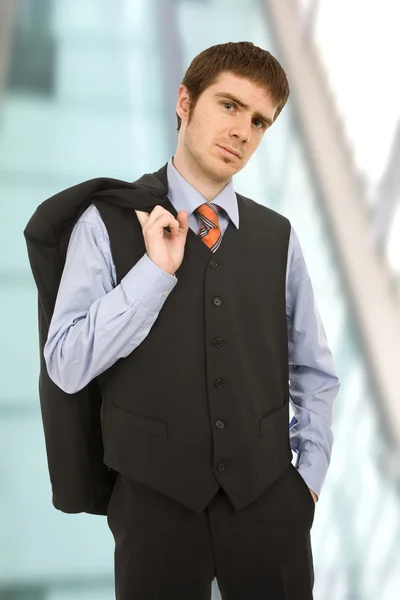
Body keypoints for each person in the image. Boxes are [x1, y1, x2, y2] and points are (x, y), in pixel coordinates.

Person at [42, 42, 340, 599]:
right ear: (185, 101)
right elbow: (65, 362)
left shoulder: (279, 236)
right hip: (155, 508)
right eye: (229, 106)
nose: (243, 132)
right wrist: (153, 273)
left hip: (269, 502)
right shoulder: (104, 223)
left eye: (259, 121)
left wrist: (309, 485)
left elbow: (314, 371)